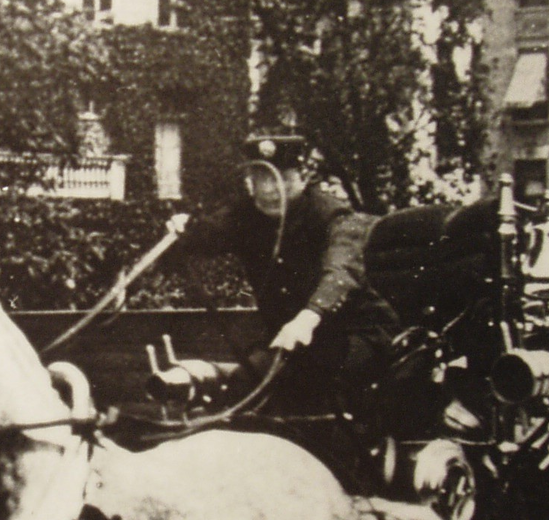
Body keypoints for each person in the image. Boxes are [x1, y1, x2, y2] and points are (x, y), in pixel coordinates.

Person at [172, 134, 401, 477]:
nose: (268, 188)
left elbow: (341, 272)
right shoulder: (245, 215)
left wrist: (309, 317)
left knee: (320, 386)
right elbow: (207, 236)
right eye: (259, 176)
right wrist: (183, 230)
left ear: (303, 176)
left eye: (280, 177)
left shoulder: (335, 216)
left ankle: (346, 476)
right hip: (292, 344)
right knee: (244, 385)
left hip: (356, 334)